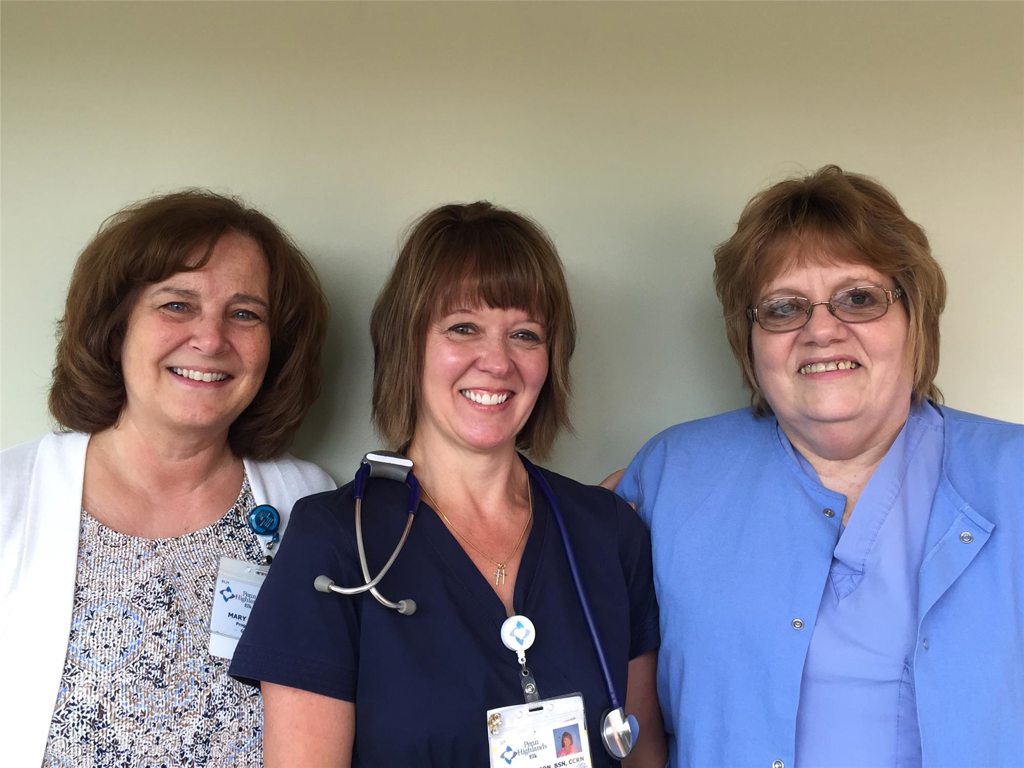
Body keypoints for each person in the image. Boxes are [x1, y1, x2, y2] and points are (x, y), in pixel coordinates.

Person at [610, 165, 1024, 767]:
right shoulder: (672, 476)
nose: (822, 331)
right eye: (783, 308)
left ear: (916, 320)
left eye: (859, 298)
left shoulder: (1013, 477)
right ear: (748, 340)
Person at [230, 202, 666, 767]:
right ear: (407, 345)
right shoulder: (336, 542)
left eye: (525, 334)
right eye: (463, 328)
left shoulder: (608, 534)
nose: (497, 361)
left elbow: (642, 751)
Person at [0, 190, 336, 766]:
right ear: (117, 328)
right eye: (177, 305)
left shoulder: (311, 504)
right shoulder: (11, 493)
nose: (210, 339)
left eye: (245, 313)